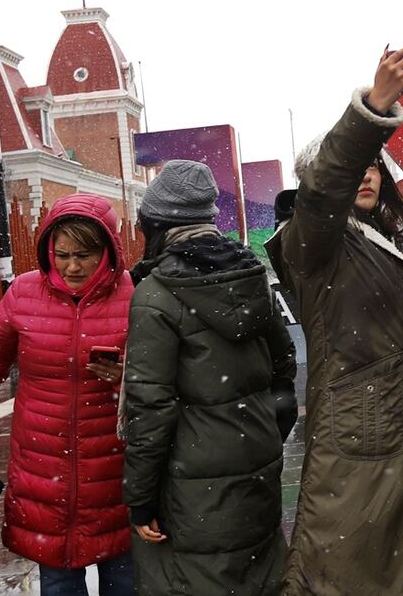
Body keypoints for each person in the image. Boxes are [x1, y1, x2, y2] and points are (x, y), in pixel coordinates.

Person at [265, 47, 403, 595]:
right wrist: (375, 107)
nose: (363, 175)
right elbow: (326, 189)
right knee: (354, 570)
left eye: (373, 166)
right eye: (352, 168)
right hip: (363, 443)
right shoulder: (313, 243)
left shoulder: (388, 241)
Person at [0, 194, 135, 595]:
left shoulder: (135, 296)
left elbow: (163, 375)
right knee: (59, 581)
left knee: (125, 579)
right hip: (43, 469)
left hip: (116, 466)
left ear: (108, 251)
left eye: (84, 255)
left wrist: (125, 376)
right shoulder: (24, 294)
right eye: (62, 254)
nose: (73, 266)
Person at [121, 160, 298, 595]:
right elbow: (283, 366)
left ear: (156, 224)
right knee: (259, 575)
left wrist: (140, 499)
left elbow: (150, 409)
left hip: (190, 483)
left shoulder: (156, 295)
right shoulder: (250, 274)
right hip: (256, 462)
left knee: (194, 579)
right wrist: (264, 435)